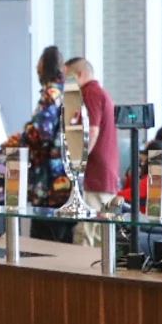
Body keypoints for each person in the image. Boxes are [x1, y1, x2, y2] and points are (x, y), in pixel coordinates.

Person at [9, 46, 72, 243]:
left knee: (44, 246)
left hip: (48, 184)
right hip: (66, 181)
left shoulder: (50, 95)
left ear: (44, 67)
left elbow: (40, 133)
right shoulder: (69, 92)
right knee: (65, 245)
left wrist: (18, 140)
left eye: (38, 64)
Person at [63, 57, 120, 245]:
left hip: (94, 178)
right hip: (106, 176)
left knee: (85, 236)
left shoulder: (89, 94)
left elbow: (91, 132)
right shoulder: (101, 94)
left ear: (79, 75)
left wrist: (78, 165)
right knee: (100, 239)